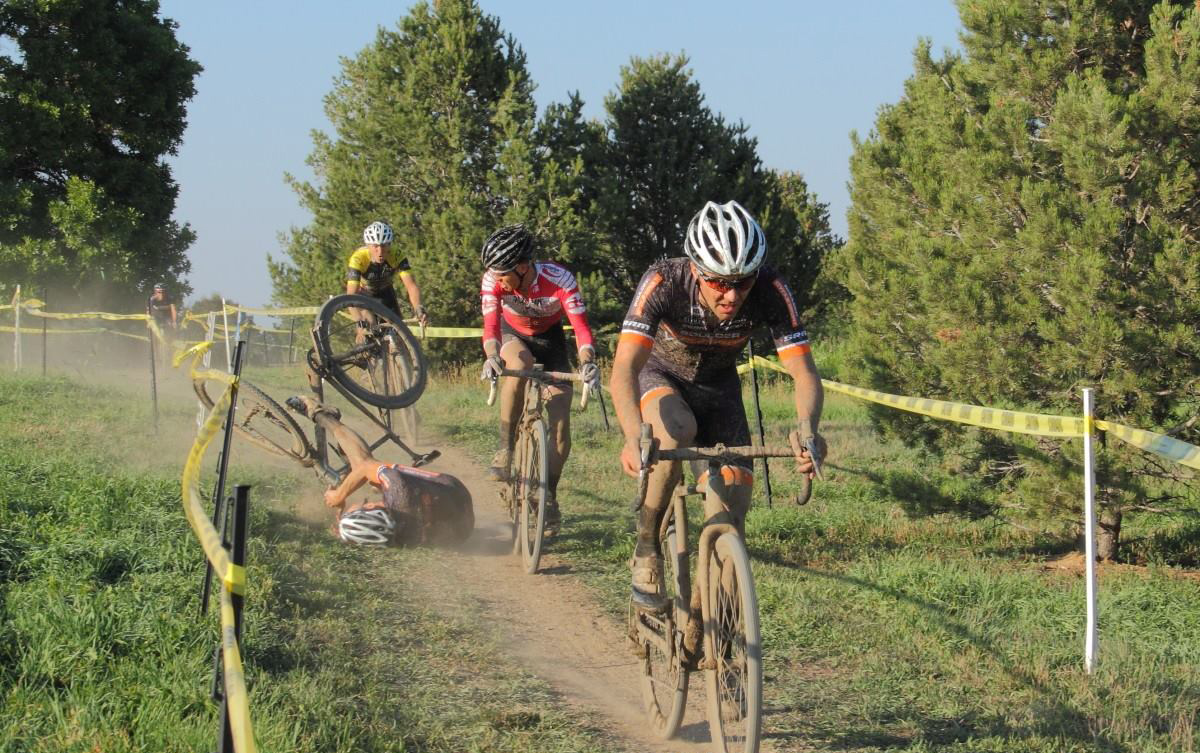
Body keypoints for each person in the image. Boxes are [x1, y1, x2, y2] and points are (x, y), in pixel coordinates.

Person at [610, 200, 827, 607]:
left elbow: (803, 373)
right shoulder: (664, 281)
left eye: (742, 282)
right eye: (718, 282)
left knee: (732, 517)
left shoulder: (771, 289)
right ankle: (647, 543)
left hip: (720, 390)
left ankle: (714, 624)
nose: (731, 294)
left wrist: (808, 429)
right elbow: (624, 368)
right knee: (676, 431)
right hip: (661, 376)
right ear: (695, 270)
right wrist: (632, 434)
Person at [478, 224, 601, 532]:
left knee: (560, 424)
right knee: (519, 363)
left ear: (522, 267)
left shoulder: (560, 280)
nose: (498, 279)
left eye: (503, 274)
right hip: (514, 335)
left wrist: (587, 362)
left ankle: (548, 496)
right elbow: (490, 326)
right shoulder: (493, 279)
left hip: (551, 341)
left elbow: (581, 329)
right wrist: (492, 356)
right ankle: (506, 448)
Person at [286, 396, 473, 546]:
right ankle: (321, 414)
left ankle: (350, 459)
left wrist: (344, 527)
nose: (360, 503)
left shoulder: (402, 539)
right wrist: (339, 496)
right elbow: (365, 467)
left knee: (370, 479)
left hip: (462, 530)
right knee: (364, 464)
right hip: (453, 490)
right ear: (370, 508)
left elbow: (368, 533)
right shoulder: (398, 491)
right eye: (363, 504)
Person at [347, 220, 429, 328]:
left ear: (390, 244)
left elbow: (411, 286)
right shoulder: (358, 258)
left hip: (386, 294)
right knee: (369, 324)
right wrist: (359, 320)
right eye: (375, 246)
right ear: (368, 245)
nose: (380, 252)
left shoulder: (397, 255)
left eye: (384, 246)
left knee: (398, 330)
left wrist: (418, 308)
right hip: (364, 295)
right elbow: (351, 295)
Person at [146, 283, 178, 364]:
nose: (161, 294)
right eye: (159, 292)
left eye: (163, 292)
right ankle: (154, 356)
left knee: (170, 334)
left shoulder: (170, 298)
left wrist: (174, 322)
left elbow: (173, 310)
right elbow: (148, 312)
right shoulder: (151, 299)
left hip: (167, 318)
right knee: (153, 337)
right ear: (155, 292)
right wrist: (149, 322)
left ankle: (170, 354)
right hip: (156, 318)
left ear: (166, 292)